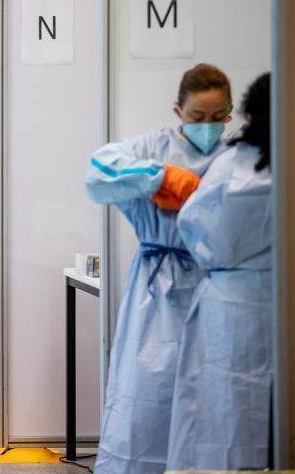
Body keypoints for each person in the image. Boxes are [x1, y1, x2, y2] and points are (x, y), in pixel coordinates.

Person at [85, 64, 234, 474]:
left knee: (212, 400)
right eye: (196, 117)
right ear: (177, 111)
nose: (208, 126)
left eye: (217, 117)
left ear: (230, 115)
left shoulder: (237, 155)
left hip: (217, 286)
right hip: (157, 289)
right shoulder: (153, 149)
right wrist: (158, 177)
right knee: (148, 396)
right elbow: (98, 174)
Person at [167, 73, 272, 470]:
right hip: (267, 305)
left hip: (228, 306)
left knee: (222, 420)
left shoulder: (233, 163)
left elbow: (194, 226)